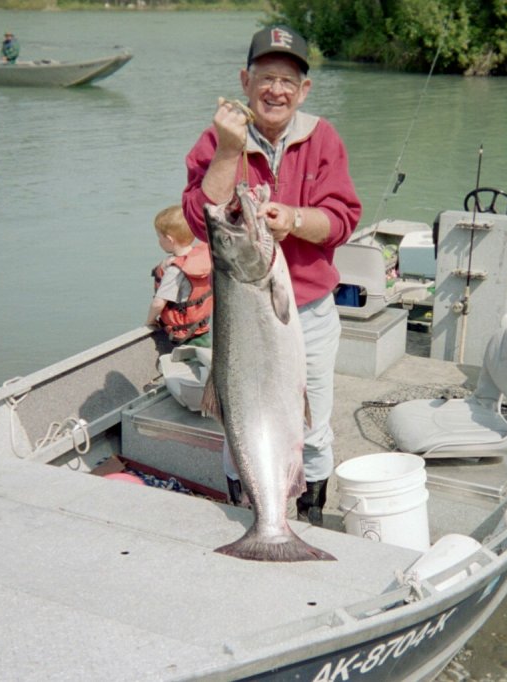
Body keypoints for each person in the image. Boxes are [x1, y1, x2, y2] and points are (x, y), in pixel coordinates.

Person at [182, 25, 362, 526]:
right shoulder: (219, 138)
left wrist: (297, 220)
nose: (276, 90)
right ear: (245, 80)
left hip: (310, 312)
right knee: (238, 422)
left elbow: (342, 220)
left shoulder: (322, 138)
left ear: (304, 90)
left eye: (288, 80)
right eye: (265, 77)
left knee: (313, 426)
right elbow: (202, 220)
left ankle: (307, 518)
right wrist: (227, 150)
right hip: (241, 312)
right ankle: (253, 517)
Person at [146, 205, 213, 347]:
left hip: (181, 337)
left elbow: (158, 303)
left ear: (170, 240)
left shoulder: (175, 271)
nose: (158, 241)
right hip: (202, 330)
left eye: (159, 237)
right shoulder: (200, 259)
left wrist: (149, 321)